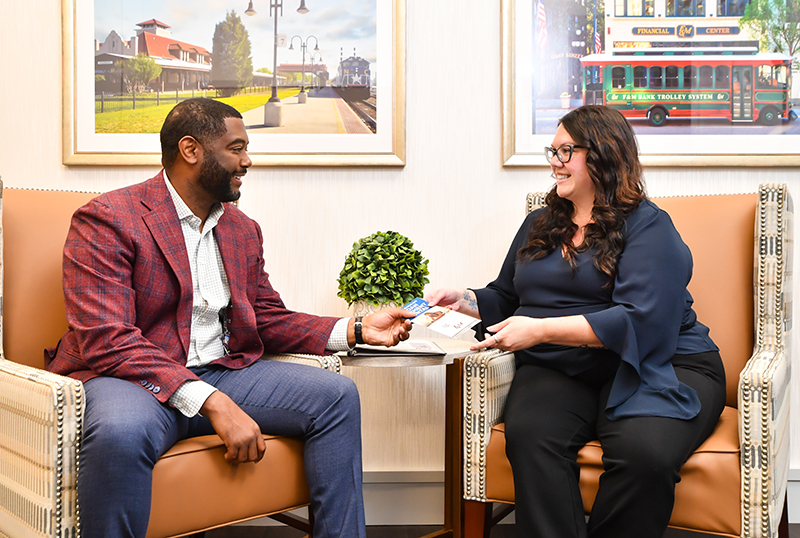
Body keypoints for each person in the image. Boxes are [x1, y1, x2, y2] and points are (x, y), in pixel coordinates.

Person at [45, 97, 414, 538]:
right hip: (132, 380)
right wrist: (213, 403)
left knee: (336, 396)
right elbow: (108, 339)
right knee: (119, 433)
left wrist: (354, 329)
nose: (247, 160)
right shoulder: (109, 218)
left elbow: (265, 316)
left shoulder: (241, 228)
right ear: (191, 150)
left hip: (223, 370)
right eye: (236, 148)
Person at [426, 105, 726, 538]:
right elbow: (508, 296)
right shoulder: (539, 223)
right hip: (561, 365)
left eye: (566, 151)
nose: (554, 160)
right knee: (531, 436)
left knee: (645, 456)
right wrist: (467, 299)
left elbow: (641, 322)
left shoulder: (650, 227)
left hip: (658, 363)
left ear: (604, 154)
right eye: (553, 149)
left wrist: (541, 330)